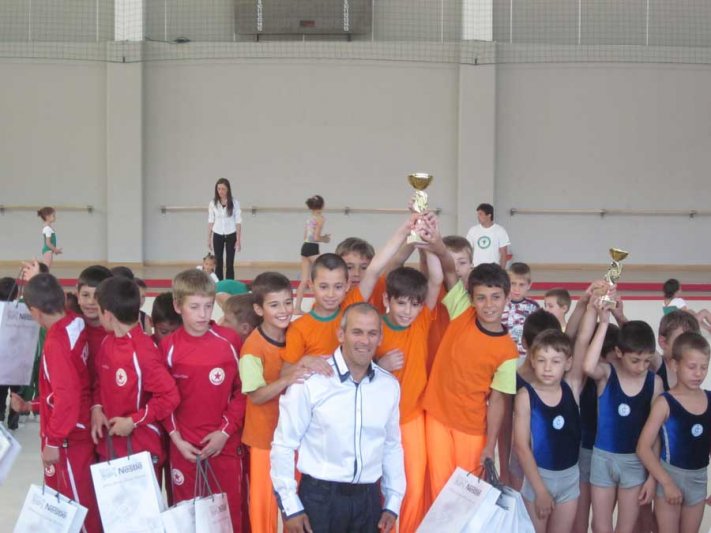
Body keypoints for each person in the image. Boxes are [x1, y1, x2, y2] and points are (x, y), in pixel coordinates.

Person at [271, 303, 406, 533]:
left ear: (380, 338)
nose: (365, 341)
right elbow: (284, 444)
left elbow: (391, 445)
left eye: (372, 333)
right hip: (319, 499)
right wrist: (290, 507)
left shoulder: (389, 386)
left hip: (368, 500)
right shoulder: (311, 382)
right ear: (341, 334)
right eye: (357, 332)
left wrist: (393, 502)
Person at [421, 262, 518, 501]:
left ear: (507, 298)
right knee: (440, 491)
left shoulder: (508, 351)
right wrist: (435, 244)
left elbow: (498, 401)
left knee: (467, 497)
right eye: (481, 298)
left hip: (472, 429)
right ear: (472, 299)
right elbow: (448, 269)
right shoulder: (462, 312)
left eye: (496, 297)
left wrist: (490, 445)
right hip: (437, 417)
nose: (489, 305)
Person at [13, 273, 101, 532]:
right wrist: (31, 405)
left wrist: (53, 441)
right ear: (63, 297)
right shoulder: (75, 322)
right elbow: (66, 389)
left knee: (77, 510)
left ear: (34, 312)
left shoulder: (56, 343)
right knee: (80, 503)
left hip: (68, 440)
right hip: (78, 430)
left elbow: (67, 397)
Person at [161, 269, 245, 530]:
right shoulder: (168, 348)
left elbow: (243, 392)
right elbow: (162, 400)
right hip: (184, 450)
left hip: (223, 447)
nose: (202, 314)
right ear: (178, 306)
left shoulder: (230, 341)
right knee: (188, 521)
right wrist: (177, 440)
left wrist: (225, 432)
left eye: (208, 306)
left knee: (228, 518)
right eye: (194, 307)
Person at [374, 226, 445, 532]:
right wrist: (379, 364)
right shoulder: (375, 327)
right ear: (387, 299)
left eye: (415, 304)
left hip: (412, 418)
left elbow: (437, 279)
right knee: (383, 489)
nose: (408, 311)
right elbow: (355, 371)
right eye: (401, 303)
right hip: (379, 421)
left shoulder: (421, 321)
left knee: (414, 486)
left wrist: (427, 241)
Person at [283, 216, 417, 375]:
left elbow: (381, 266)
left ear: (345, 285)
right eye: (324, 287)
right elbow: (285, 372)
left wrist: (409, 229)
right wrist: (306, 361)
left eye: (338, 286)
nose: (331, 294)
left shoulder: (353, 302)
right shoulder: (304, 325)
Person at [239, 272, 311, 533]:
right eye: (274, 305)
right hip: (263, 439)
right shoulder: (252, 348)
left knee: (296, 504)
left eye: (288, 302)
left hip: (295, 436)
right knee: (264, 507)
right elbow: (256, 396)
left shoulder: (297, 333)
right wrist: (287, 378)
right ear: (259, 309)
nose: (284, 310)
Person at [90, 276, 180, 479]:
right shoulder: (107, 343)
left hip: (140, 450)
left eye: (98, 310)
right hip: (109, 447)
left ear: (108, 315)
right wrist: (96, 408)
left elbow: (170, 397)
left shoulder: (144, 351)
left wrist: (133, 421)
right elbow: (98, 382)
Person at [583, 308, 663, 533]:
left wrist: (652, 477)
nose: (642, 367)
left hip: (635, 463)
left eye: (647, 361)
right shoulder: (607, 374)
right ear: (618, 352)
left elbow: (655, 435)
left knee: (626, 528)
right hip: (603, 459)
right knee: (601, 525)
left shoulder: (654, 383)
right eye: (635, 360)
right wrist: (603, 323)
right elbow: (588, 366)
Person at [637, 332, 711, 533]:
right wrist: (666, 482)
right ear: (674, 365)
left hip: (698, 479)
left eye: (704, 367)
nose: (698, 374)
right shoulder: (665, 402)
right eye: (692, 367)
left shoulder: (709, 399)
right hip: (670, 476)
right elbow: (643, 448)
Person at [514, 329, 584, 533]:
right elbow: (521, 447)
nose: (547, 368)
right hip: (538, 479)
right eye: (541, 360)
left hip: (569, 479)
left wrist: (602, 319)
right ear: (532, 361)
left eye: (555, 361)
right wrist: (540, 490)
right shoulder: (526, 396)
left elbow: (582, 339)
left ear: (568, 363)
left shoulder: (572, 386)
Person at [294, 195, 331, 314]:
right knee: (326, 272)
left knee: (304, 280)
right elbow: (316, 237)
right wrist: (324, 239)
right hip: (312, 248)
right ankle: (321, 306)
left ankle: (297, 308)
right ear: (322, 205)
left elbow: (306, 236)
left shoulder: (309, 218)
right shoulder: (320, 218)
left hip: (305, 247)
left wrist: (321, 238)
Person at [654, 310, 700, 391]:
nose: (688, 348)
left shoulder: (693, 372)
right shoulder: (657, 362)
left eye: (692, 343)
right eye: (681, 341)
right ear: (663, 342)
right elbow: (635, 339)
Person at [503, 262, 540, 361]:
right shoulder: (500, 304)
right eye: (513, 284)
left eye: (521, 285)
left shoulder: (534, 307)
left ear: (529, 285)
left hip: (524, 357)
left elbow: (537, 334)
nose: (516, 289)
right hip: (502, 356)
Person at [208, 177, 242, 280]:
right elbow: (210, 221)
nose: (221, 191)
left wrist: (238, 240)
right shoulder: (213, 203)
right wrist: (209, 238)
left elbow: (238, 222)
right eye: (219, 189)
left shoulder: (235, 203)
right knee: (218, 262)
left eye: (223, 189)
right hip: (217, 234)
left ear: (228, 189)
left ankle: (229, 283)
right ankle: (219, 284)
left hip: (231, 234)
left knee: (230, 262)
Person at [465, 203, 510, 267]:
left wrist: (502, 270)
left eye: (480, 214)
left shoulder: (500, 230)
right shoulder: (473, 230)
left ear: (489, 215)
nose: (478, 217)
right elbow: (467, 250)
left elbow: (503, 253)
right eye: (478, 214)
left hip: (493, 268)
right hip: (477, 268)